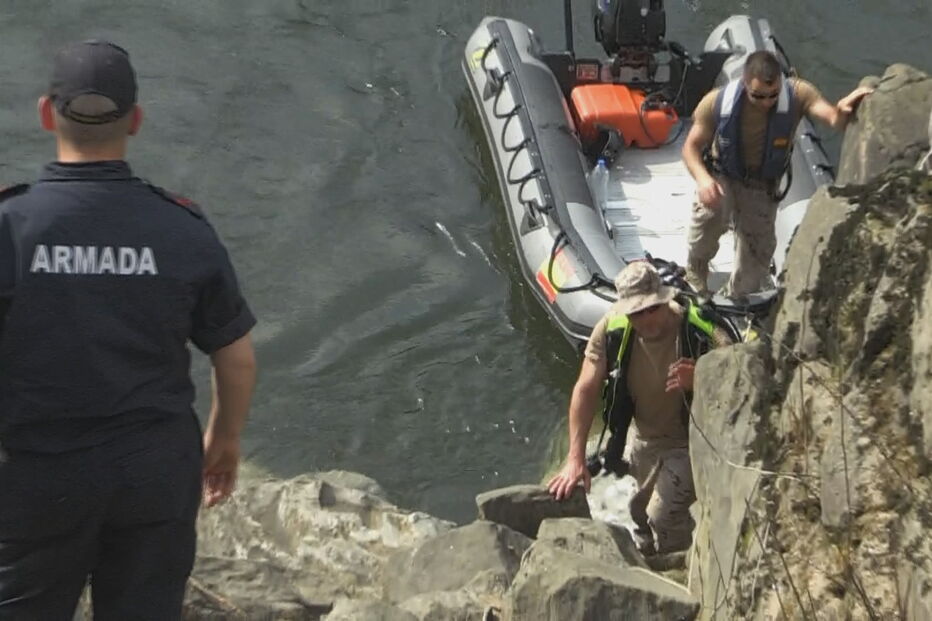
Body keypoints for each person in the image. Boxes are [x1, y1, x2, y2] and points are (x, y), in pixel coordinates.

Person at [0, 40, 257, 619]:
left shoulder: (9, 226)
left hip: (40, 472)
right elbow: (235, 358)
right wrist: (222, 442)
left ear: (45, 113)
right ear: (136, 121)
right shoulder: (181, 227)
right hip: (154, 471)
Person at [548, 261, 731, 555]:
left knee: (664, 516)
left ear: (665, 298)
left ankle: (680, 568)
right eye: (637, 313)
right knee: (640, 513)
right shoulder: (612, 329)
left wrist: (701, 376)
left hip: (695, 440)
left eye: (653, 308)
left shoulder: (699, 328)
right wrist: (575, 459)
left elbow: (742, 377)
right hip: (647, 439)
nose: (648, 320)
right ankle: (650, 555)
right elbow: (586, 387)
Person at [682, 50, 873, 297]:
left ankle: (738, 296)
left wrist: (843, 110)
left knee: (758, 249)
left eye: (773, 95)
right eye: (758, 96)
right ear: (744, 83)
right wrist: (703, 178)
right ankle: (696, 272)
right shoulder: (717, 102)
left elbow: (832, 118)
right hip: (724, 175)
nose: (766, 102)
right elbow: (691, 148)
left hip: (761, 183)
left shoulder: (799, 94)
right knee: (709, 215)